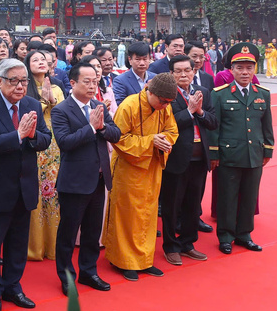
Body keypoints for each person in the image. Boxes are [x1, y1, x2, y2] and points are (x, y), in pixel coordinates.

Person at [0, 58, 51, 311]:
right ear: (0, 81)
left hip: (24, 187)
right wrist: (17, 135)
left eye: (24, 81)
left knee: (18, 244)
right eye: (14, 81)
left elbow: (45, 140)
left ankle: (13, 286)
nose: (20, 86)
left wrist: (31, 136)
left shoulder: (31, 105)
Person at [51, 62, 121, 296]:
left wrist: (101, 129)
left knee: (92, 231)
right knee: (68, 233)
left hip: (99, 179)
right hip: (74, 181)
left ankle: (89, 271)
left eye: (95, 81)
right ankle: (66, 276)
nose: (93, 86)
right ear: (72, 83)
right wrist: (91, 127)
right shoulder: (61, 110)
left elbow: (116, 134)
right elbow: (65, 142)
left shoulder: (99, 105)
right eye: (87, 81)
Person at [104, 73, 179, 281]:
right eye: (162, 101)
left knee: (148, 213)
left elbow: (172, 130)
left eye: (169, 103)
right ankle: (123, 260)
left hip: (152, 166)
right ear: (150, 92)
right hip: (128, 168)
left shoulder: (165, 107)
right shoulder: (129, 105)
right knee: (127, 214)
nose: (165, 106)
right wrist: (150, 141)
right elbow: (118, 138)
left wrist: (163, 141)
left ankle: (144, 260)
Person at [209, 43, 272, 254]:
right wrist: (214, 153)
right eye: (240, 68)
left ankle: (244, 234)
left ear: (254, 69)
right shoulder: (219, 94)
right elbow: (214, 126)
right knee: (227, 197)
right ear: (231, 70)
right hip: (229, 155)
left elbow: (267, 126)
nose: (245, 72)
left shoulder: (262, 93)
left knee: (249, 196)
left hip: (254, 155)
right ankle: (226, 236)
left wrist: (268, 150)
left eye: (249, 68)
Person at [160, 55, 218, 266]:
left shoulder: (204, 93)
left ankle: (188, 243)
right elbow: (168, 124)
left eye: (187, 70)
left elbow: (213, 122)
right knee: (171, 205)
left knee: (193, 204)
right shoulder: (166, 95)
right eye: (178, 71)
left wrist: (200, 111)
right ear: (171, 74)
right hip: (176, 159)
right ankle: (170, 246)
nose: (183, 74)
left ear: (194, 71)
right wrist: (189, 111)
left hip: (199, 159)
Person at [24, 50, 64, 261]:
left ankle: (53, 244)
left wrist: (52, 100)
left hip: (55, 144)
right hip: (35, 142)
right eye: (35, 60)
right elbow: (27, 114)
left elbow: (63, 113)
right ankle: (34, 246)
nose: (41, 62)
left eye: (43, 59)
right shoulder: (25, 89)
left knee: (53, 193)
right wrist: (44, 101)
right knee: (36, 191)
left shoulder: (57, 87)